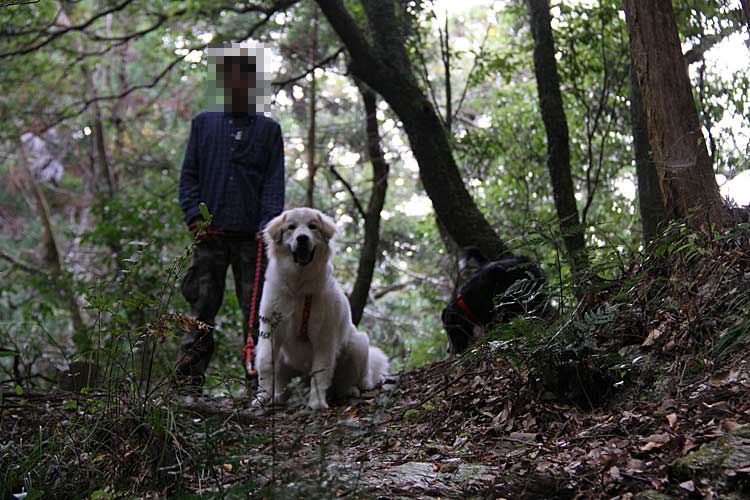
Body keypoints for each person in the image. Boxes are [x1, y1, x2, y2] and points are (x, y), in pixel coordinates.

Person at [176, 44, 285, 388]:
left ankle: (260, 384)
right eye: (231, 78)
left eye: (246, 78)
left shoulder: (268, 130)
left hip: (252, 239)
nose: (238, 85)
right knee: (201, 309)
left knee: (257, 314)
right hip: (210, 236)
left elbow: (273, 183)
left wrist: (268, 225)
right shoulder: (204, 125)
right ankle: (189, 384)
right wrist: (194, 216)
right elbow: (189, 176)